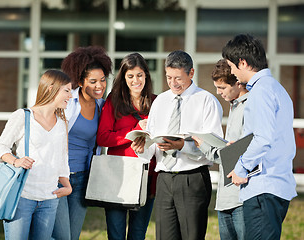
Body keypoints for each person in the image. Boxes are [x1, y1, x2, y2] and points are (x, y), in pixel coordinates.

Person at [132, 50, 223, 240]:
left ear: (191, 73)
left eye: (178, 78)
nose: (173, 83)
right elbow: (153, 142)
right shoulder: (160, 102)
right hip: (164, 179)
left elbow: (213, 149)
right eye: (169, 77)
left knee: (191, 236)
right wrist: (143, 148)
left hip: (193, 179)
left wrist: (182, 146)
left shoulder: (207, 101)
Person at [223, 34, 297, 239]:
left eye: (231, 66)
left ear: (243, 63)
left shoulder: (261, 91)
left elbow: (263, 138)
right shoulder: (276, 88)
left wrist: (241, 167)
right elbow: (269, 136)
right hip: (275, 187)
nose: (231, 73)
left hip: (262, 189)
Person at [0, 69, 73, 240]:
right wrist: (16, 161)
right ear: (51, 89)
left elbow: (62, 159)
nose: (70, 96)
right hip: (22, 197)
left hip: (49, 199)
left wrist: (67, 186)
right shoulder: (23, 116)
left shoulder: (62, 123)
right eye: (66, 90)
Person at [52, 46, 112, 240]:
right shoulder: (68, 102)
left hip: (83, 179)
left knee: (73, 235)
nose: (100, 86)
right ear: (80, 81)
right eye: (93, 81)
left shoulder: (102, 106)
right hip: (59, 177)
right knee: (61, 236)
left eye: (102, 80)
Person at [96, 52, 157, 240]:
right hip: (118, 176)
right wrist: (132, 132)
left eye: (139, 75)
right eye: (130, 76)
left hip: (147, 176)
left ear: (146, 75)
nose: (135, 80)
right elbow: (103, 138)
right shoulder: (113, 101)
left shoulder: (157, 102)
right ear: (124, 77)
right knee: (116, 235)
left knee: (138, 234)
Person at [194, 59, 248, 240]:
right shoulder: (234, 105)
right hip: (225, 198)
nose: (218, 93)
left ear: (238, 83)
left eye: (222, 88)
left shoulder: (250, 106)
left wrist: (203, 146)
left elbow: (238, 153)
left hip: (241, 199)